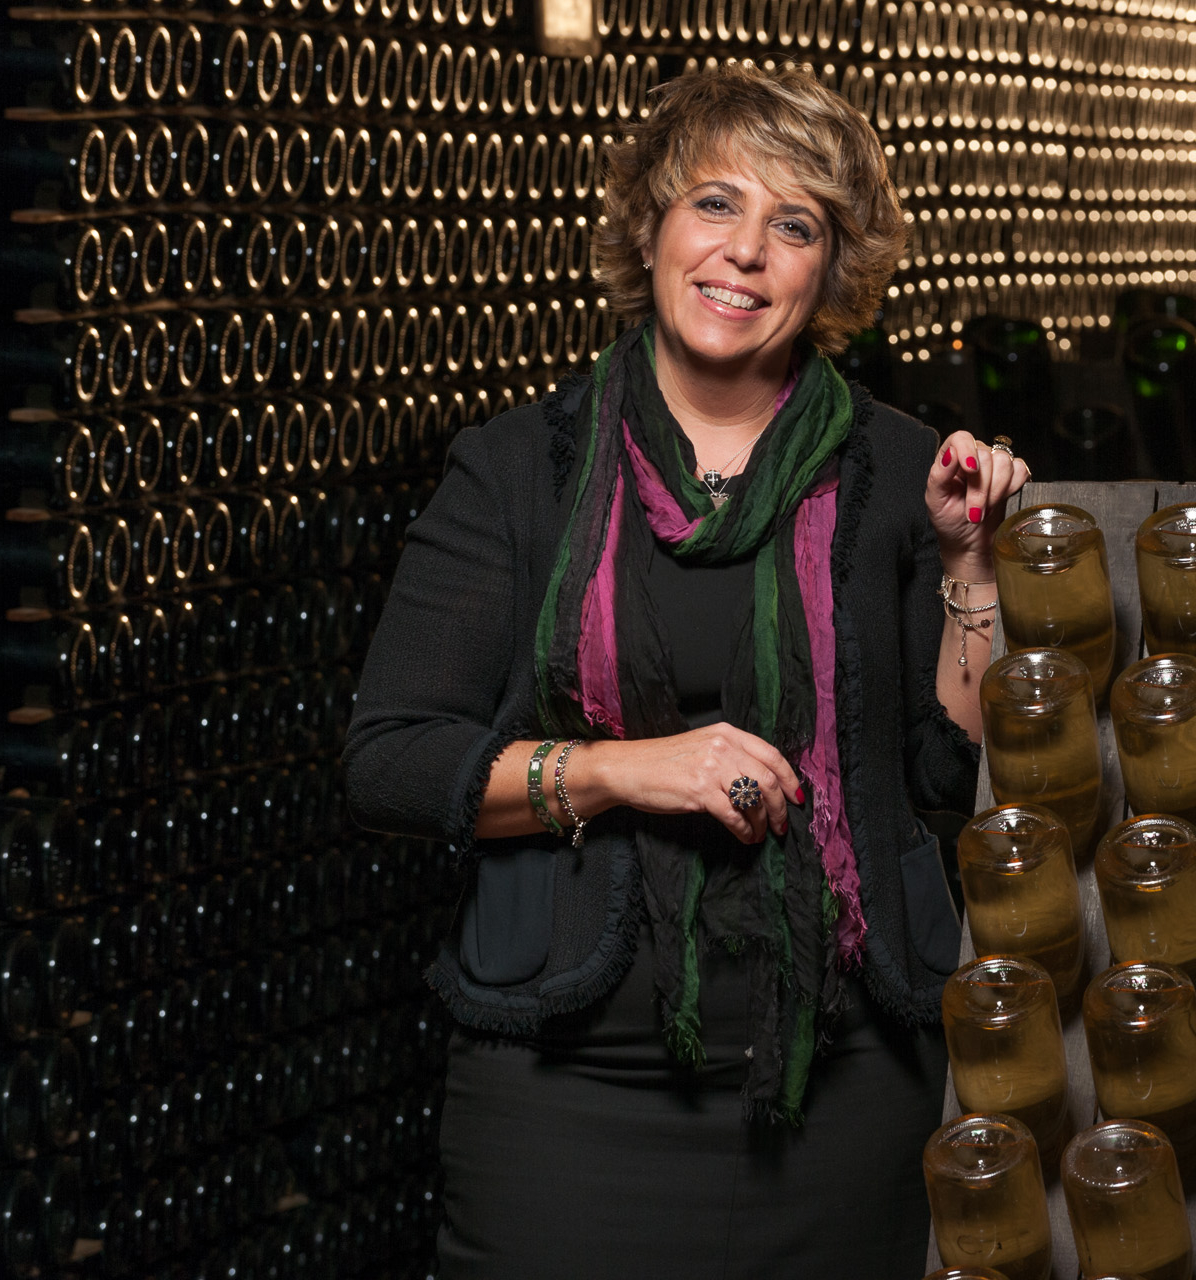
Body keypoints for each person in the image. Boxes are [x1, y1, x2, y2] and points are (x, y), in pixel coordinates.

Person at [344, 62, 1028, 1278]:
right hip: (570, 1088)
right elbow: (393, 761)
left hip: (850, 1081)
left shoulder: (899, 470)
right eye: (715, 204)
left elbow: (947, 769)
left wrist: (969, 563)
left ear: (831, 270)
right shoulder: (519, 470)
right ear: (652, 227)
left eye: (795, 224)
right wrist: (622, 771)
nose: (745, 253)